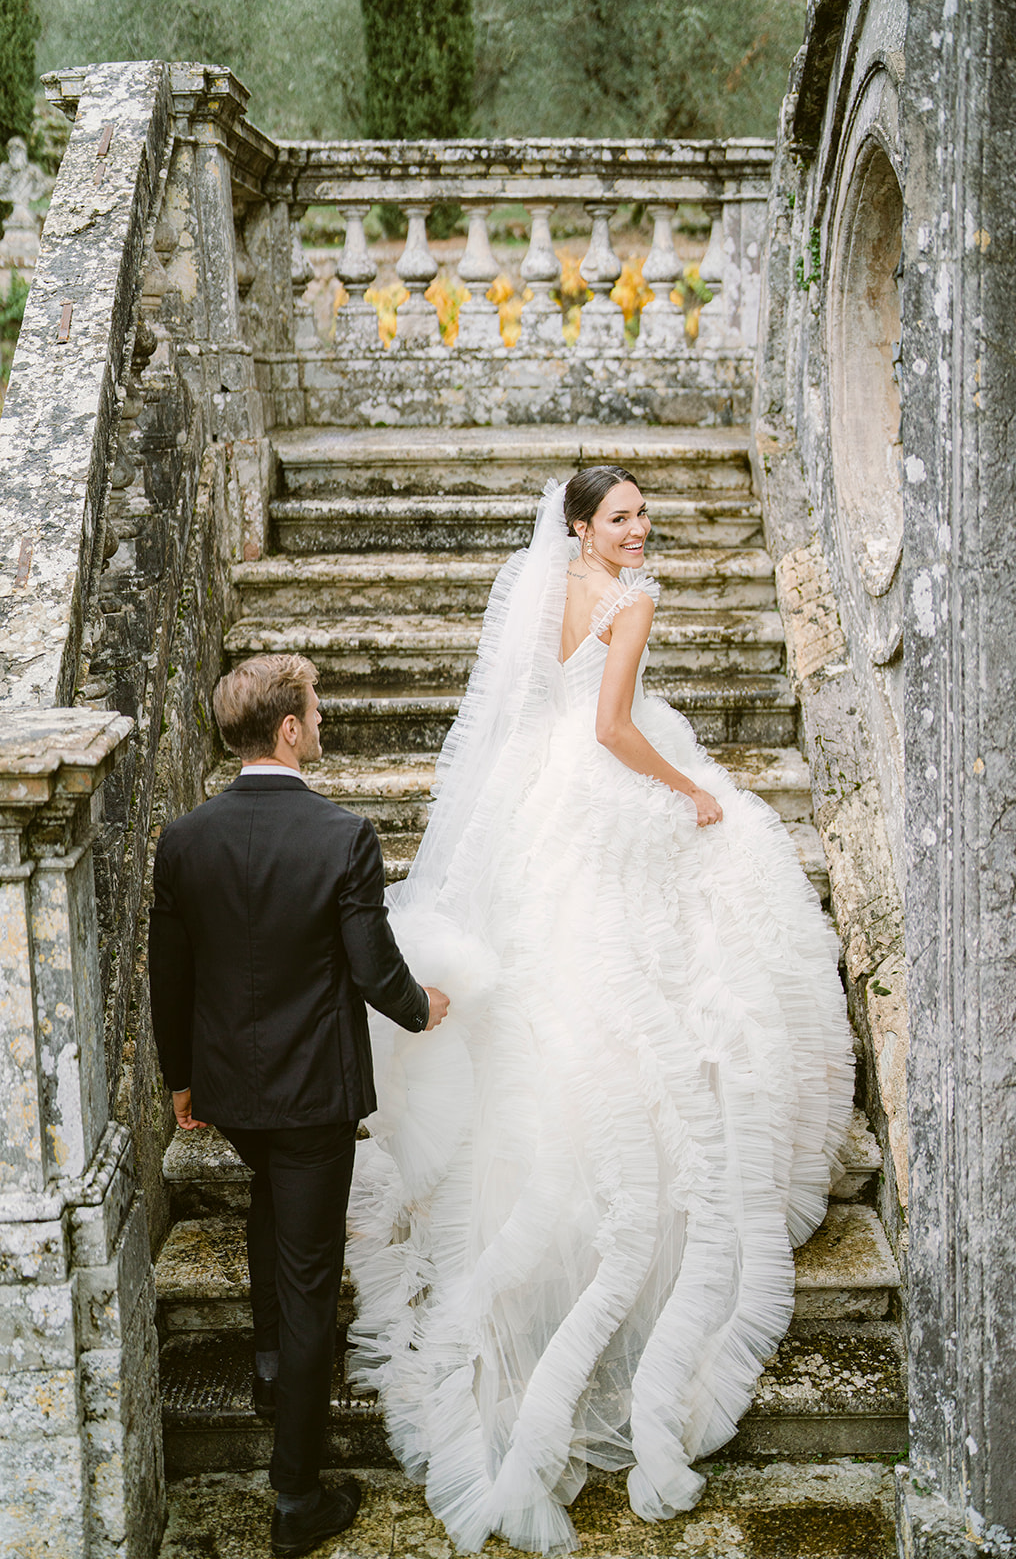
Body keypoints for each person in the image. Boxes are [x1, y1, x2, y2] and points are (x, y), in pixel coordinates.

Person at [346, 466, 854, 1554]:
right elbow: (618, 725)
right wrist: (690, 793)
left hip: (540, 790)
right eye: (618, 517)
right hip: (601, 785)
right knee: (656, 958)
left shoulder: (543, 585)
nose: (637, 529)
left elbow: (536, 712)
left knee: (575, 970)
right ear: (579, 524)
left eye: (638, 516)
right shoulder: (632, 598)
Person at [149, 653, 449, 1559]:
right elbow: (372, 967)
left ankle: (273, 1366)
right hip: (313, 1095)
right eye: (315, 711)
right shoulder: (341, 835)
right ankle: (295, 1497)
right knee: (313, 1276)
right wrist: (422, 1007)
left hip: (235, 1091)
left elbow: (172, 971)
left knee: (273, 1204)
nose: (321, 723)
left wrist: (180, 1079)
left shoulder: (184, 838)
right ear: (288, 729)